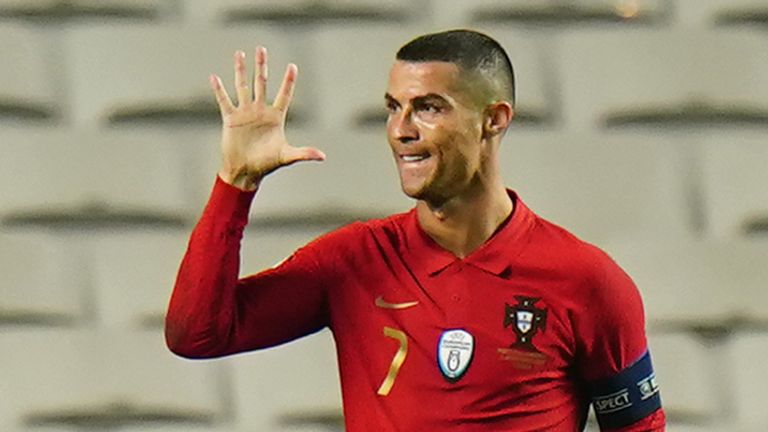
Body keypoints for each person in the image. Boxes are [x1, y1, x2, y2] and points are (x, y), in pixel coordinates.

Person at [165, 29, 666, 431]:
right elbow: (197, 334)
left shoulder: (586, 280)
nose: (401, 129)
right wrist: (236, 183)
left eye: (428, 107)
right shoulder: (353, 261)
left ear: (494, 119)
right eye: (393, 107)